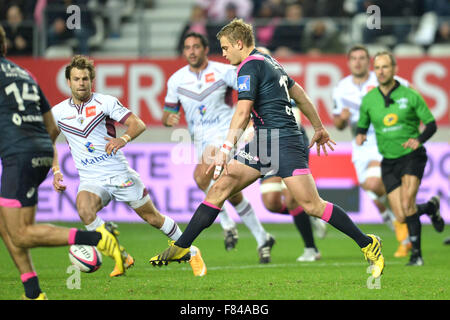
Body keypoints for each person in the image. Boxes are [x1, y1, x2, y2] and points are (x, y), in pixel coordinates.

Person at [149, 18, 385, 279]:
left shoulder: (249, 67)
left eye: (226, 48)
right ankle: (182, 247)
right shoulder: (269, 61)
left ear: (240, 43)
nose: (224, 53)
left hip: (284, 140)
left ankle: (367, 243)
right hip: (264, 141)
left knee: (312, 205)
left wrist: (227, 146)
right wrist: (318, 127)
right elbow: (301, 94)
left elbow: (243, 109)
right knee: (220, 187)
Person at [51, 55, 206, 276]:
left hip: (119, 173)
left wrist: (122, 139)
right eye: (76, 79)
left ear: (91, 80)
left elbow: (138, 123)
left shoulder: (105, 102)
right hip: (91, 179)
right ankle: (122, 257)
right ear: (68, 82)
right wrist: (56, 170)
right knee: (85, 210)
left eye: (85, 78)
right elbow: (47, 140)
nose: (81, 83)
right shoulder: (58, 113)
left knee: (152, 218)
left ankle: (191, 251)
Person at [0, 25, 124, 300]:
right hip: (39, 151)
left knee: (19, 233)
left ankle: (95, 238)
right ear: (5, 47)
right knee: (7, 226)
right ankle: (33, 292)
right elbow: (48, 120)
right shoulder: (24, 73)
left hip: (18, 157)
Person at [163, 32, 275, 263]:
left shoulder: (223, 71)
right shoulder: (176, 80)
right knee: (230, 192)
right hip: (199, 139)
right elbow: (169, 112)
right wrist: (168, 119)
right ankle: (263, 238)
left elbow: (249, 92)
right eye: (187, 47)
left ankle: (226, 224)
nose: (192, 51)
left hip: (225, 134)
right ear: (184, 52)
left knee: (200, 176)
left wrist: (255, 118)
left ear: (205, 49)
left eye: (196, 46)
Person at [356, 51, 444, 266]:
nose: (381, 71)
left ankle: (416, 255)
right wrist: (360, 135)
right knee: (402, 215)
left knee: (407, 203)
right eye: (377, 68)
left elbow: (431, 124)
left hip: (411, 156)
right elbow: (363, 124)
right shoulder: (369, 99)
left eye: (385, 67)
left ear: (394, 69)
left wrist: (419, 139)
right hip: (388, 160)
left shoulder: (410, 95)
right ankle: (431, 208)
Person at [333, 44, 412, 257]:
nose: (358, 62)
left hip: (384, 142)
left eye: (362, 58)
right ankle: (404, 237)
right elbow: (338, 123)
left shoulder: (381, 79)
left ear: (368, 61)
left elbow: (409, 92)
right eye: (354, 58)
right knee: (377, 197)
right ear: (349, 62)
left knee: (375, 183)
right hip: (360, 146)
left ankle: (404, 226)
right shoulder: (342, 88)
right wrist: (342, 119)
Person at [255, 46, 326, 262]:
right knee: (272, 203)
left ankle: (311, 249)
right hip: (264, 146)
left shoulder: (280, 85)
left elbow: (293, 118)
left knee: (294, 200)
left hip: (288, 141)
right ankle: (311, 216)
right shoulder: (247, 86)